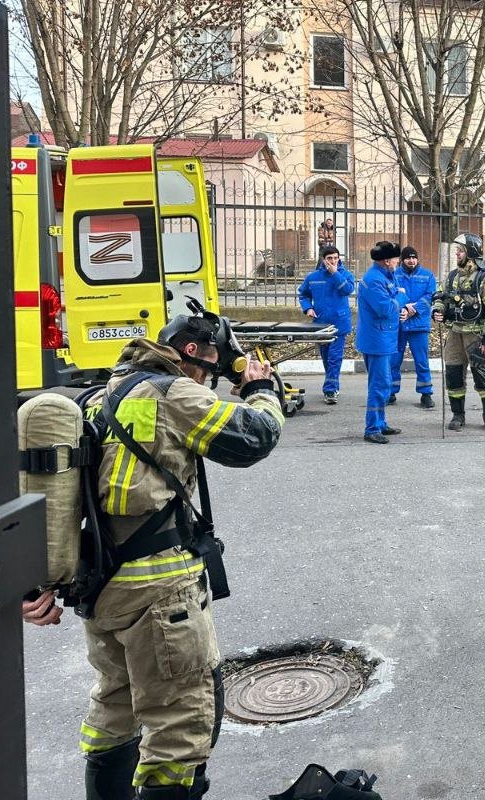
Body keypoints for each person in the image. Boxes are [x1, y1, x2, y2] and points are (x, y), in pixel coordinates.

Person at [22, 310, 283, 800]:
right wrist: (260, 389)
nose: (209, 381)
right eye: (210, 369)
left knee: (115, 709)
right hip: (161, 594)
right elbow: (254, 437)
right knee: (181, 725)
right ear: (191, 356)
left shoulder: (101, 395)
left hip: (103, 587)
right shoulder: (172, 393)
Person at [431, 232, 485, 431]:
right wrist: (438, 310)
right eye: (456, 251)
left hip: (477, 335)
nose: (457, 254)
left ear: (471, 252)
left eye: (460, 251)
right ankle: (457, 415)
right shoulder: (453, 276)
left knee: (483, 374)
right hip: (455, 333)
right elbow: (441, 297)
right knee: (453, 373)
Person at [296, 244, 355, 404]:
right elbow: (303, 294)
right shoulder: (313, 277)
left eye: (336, 258)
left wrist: (335, 273)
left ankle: (330, 390)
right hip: (320, 323)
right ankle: (332, 383)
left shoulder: (345, 275)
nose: (333, 261)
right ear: (323, 259)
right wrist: (308, 308)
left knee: (335, 358)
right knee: (326, 358)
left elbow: (348, 290)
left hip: (339, 323)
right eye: (330, 258)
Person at [356, 241, 403, 444]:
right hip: (377, 339)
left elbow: (398, 296)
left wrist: (398, 300)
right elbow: (385, 308)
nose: (398, 262)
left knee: (383, 383)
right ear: (387, 261)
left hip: (385, 337)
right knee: (379, 384)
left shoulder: (386, 275)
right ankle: (372, 428)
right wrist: (400, 302)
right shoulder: (374, 279)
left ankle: (381, 423)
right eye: (395, 259)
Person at [389, 246, 437, 409]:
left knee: (422, 361)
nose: (411, 260)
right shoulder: (395, 274)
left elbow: (430, 296)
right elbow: (392, 294)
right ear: (402, 259)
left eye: (414, 257)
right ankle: (391, 392)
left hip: (419, 325)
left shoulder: (427, 275)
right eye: (408, 258)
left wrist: (413, 309)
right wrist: (403, 308)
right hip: (399, 324)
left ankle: (426, 393)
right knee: (394, 360)